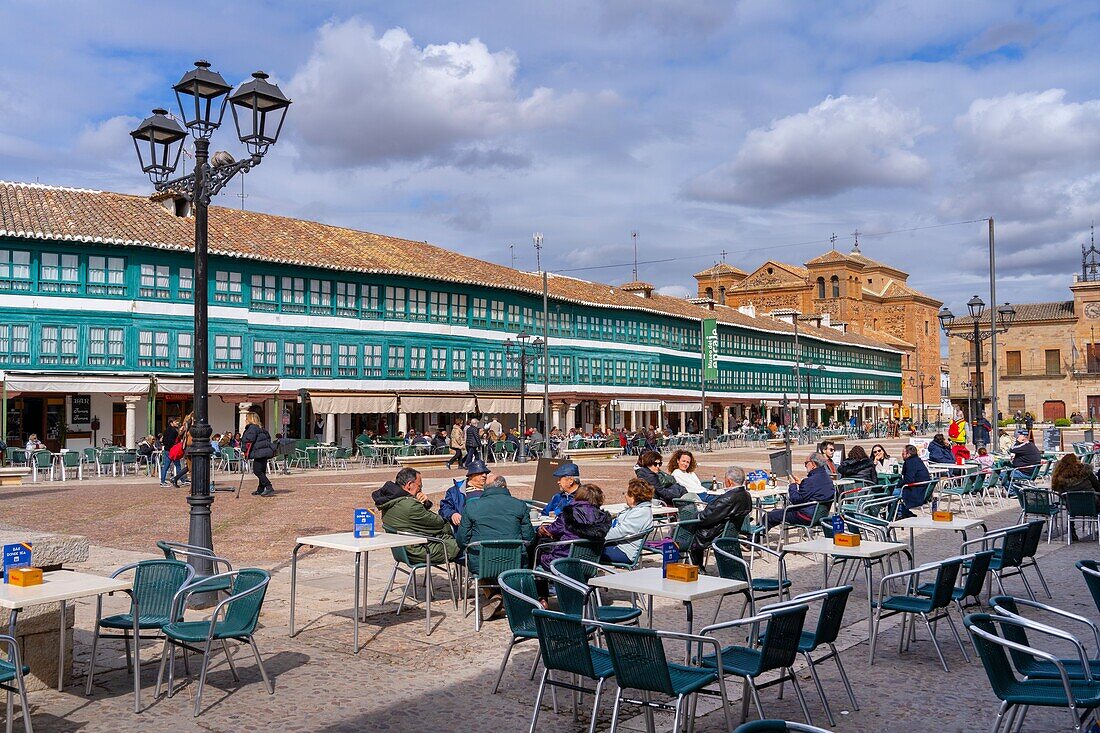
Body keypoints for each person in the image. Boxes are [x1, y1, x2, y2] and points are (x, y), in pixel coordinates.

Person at [534, 484, 612, 601]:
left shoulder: (569, 513)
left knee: (537, 552)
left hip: (564, 561)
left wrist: (542, 529)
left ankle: (542, 597)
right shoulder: (602, 517)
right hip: (590, 562)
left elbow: (552, 530)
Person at [372, 468, 460, 565]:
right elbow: (438, 523)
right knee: (463, 545)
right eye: (419, 486)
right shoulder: (411, 505)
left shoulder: (390, 501)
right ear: (409, 485)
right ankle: (476, 577)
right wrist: (424, 504)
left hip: (403, 550)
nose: (420, 490)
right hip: (419, 551)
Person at [459, 473, 535, 573]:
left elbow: (462, 540)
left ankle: (490, 586)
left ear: (485, 488)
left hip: (481, 563)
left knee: (485, 573)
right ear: (504, 487)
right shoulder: (519, 505)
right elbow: (529, 538)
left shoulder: (472, 506)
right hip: (514, 562)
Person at [689, 466, 751, 567]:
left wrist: (695, 515)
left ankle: (696, 566)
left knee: (687, 528)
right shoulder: (746, 495)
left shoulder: (727, 499)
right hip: (731, 531)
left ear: (729, 481)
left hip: (715, 532)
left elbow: (705, 517)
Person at [765, 453, 834, 529]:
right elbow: (815, 491)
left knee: (768, 516)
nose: (805, 466)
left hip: (805, 516)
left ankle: (754, 538)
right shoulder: (828, 478)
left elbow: (795, 500)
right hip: (819, 516)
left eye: (806, 463)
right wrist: (801, 484)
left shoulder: (809, 481)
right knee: (775, 513)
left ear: (813, 464)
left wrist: (793, 485)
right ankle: (758, 536)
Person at [601, 479, 655, 565]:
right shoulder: (635, 509)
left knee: (586, 551)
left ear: (633, 497)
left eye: (626, 493)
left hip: (624, 551)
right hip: (616, 544)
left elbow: (621, 531)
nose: (625, 496)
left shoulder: (641, 513)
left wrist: (597, 535)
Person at [1051, 453, 1100, 540]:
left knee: (1070, 505)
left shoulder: (1059, 476)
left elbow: (1059, 492)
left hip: (1072, 506)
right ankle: (1098, 527)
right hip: (1092, 504)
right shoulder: (1086, 472)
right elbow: (1097, 486)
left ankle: (1071, 528)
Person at [439, 460, 491, 543]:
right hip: (465, 532)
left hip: (488, 531)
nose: (484, 475)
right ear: (471, 475)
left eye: (486, 473)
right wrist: (452, 514)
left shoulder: (490, 490)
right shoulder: (455, 491)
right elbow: (444, 508)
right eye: (480, 473)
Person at [241, 412, 276, 497]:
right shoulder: (261, 428)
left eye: (246, 418)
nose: (245, 420)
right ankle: (260, 489)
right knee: (262, 471)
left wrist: (244, 450)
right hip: (264, 451)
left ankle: (268, 486)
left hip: (259, 452)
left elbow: (249, 440)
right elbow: (268, 438)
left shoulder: (252, 428)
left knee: (257, 471)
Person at [896, 444, 932, 518]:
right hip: (922, 490)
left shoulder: (910, 462)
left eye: (903, 453)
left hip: (916, 492)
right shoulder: (917, 460)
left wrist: (898, 483)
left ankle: (899, 513)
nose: (902, 455)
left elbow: (909, 480)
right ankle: (903, 512)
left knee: (892, 493)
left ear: (908, 454)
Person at [159, 418, 184, 488]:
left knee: (166, 467)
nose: (177, 423)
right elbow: (173, 441)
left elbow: (163, 440)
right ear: (171, 423)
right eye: (175, 422)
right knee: (178, 466)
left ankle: (162, 481)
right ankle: (182, 480)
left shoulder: (166, 430)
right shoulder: (174, 431)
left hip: (167, 450)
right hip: (172, 451)